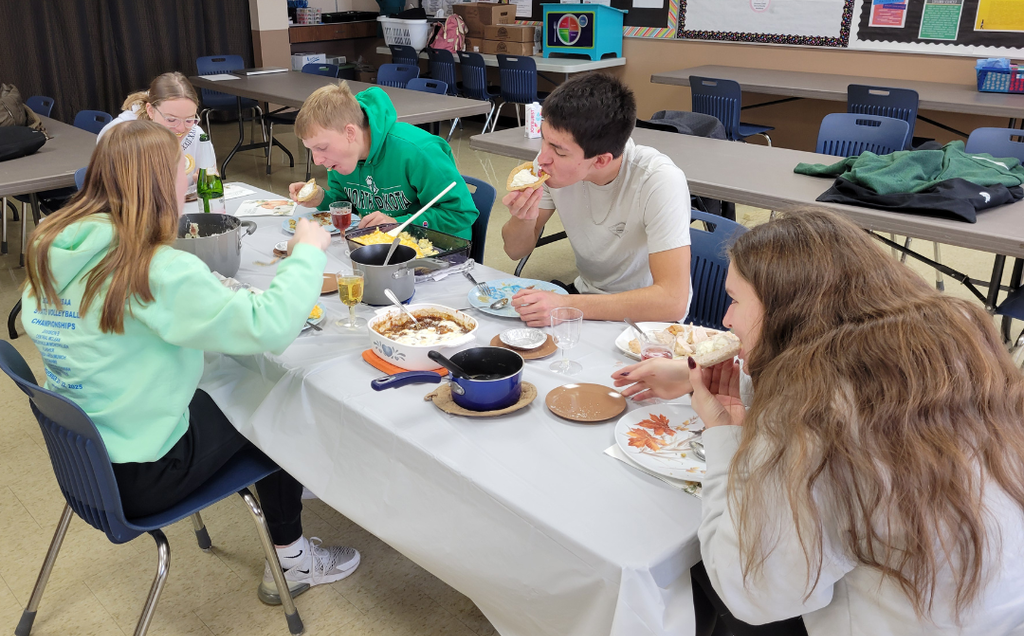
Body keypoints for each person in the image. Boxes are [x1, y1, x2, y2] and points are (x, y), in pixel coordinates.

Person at [613, 207, 1024, 636]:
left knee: (697, 553)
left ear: (787, 313)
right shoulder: (949, 348)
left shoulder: (810, 421)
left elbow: (751, 590)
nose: (725, 319)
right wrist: (691, 372)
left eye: (736, 301)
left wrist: (723, 432)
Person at [22, 120, 360, 606]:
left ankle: (294, 493)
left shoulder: (51, 243)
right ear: (160, 184)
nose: (190, 178)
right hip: (145, 472)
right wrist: (306, 254)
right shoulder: (152, 267)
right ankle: (292, 557)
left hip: (85, 456)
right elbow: (270, 326)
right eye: (182, 169)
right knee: (276, 397)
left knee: (227, 381)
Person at [500, 72, 691, 327]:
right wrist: (523, 218)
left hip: (646, 316)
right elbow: (515, 251)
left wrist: (566, 306)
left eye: (559, 151)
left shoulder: (658, 181)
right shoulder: (548, 169)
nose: (543, 158)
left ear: (601, 160)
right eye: (544, 140)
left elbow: (672, 301)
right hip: (586, 298)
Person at [288, 81, 477, 241]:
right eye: (311, 149)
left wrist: (401, 223)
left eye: (321, 148)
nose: (317, 160)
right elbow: (346, 203)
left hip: (438, 250)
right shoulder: (342, 160)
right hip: (385, 246)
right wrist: (322, 198)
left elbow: (462, 214)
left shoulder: (418, 152)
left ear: (350, 133)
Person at [98, 72, 217, 194]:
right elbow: (110, 196)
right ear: (150, 110)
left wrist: (203, 187)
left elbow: (211, 186)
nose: (181, 128)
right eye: (171, 120)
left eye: (189, 119)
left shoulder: (197, 135)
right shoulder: (119, 135)